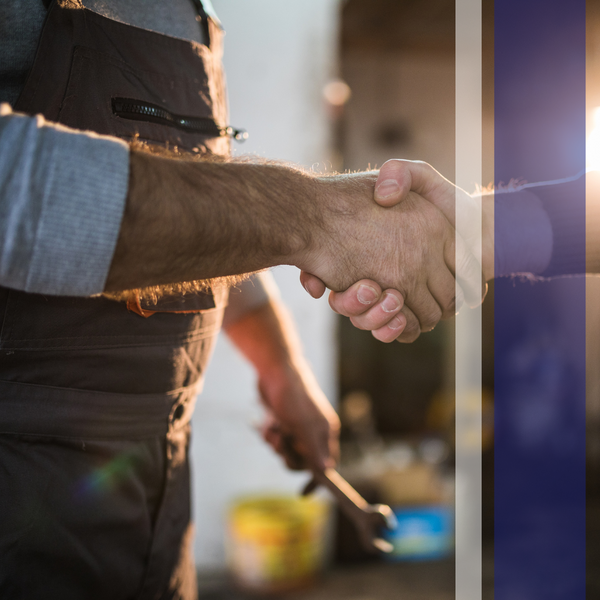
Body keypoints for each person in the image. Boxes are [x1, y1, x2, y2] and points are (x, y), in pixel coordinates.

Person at [0, 2, 483, 599]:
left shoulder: (186, 13)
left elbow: (202, 222)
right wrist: (317, 216)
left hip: (158, 481)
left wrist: (281, 369)